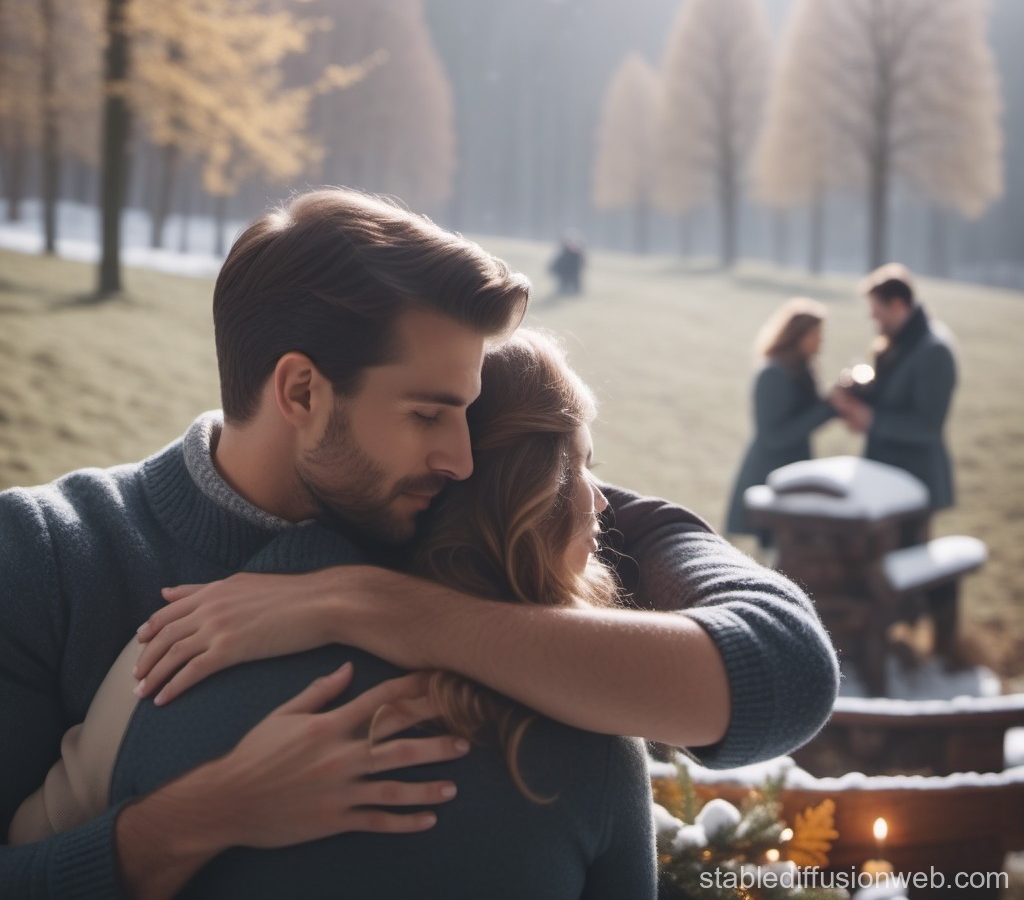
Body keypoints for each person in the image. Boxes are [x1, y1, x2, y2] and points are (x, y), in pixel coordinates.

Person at [1, 188, 838, 900]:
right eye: (430, 413)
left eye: (469, 413)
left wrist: (367, 604)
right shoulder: (47, 553)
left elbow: (787, 671)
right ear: (301, 391)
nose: (464, 455)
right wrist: (203, 815)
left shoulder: (438, 495)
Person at [11, 331, 658, 899]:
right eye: (582, 465)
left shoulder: (170, 655)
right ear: (529, 497)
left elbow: (27, 852)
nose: (602, 500)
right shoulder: (591, 723)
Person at [829, 263, 957, 511]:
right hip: (886, 475)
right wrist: (857, 390)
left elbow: (927, 426)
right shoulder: (902, 341)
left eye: (876, 312)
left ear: (897, 306)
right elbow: (893, 393)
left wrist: (871, 419)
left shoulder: (934, 350)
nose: (872, 318)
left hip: (915, 481)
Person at [725, 298, 835, 539]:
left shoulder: (802, 368)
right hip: (769, 470)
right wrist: (828, 407)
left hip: (794, 467)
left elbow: (810, 413)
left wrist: (836, 403)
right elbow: (774, 436)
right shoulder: (773, 374)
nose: (821, 341)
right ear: (798, 335)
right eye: (816, 334)